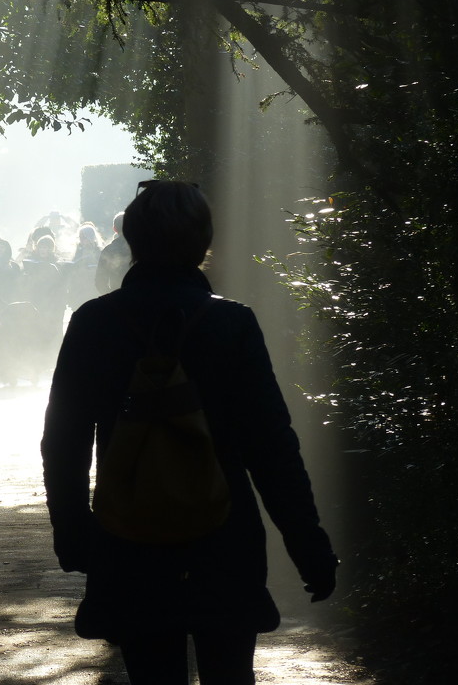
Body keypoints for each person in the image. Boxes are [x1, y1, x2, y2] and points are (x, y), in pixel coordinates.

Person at [41, 180, 338, 685]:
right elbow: (271, 445)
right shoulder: (233, 324)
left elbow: (63, 441)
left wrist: (74, 533)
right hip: (223, 538)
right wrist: (306, 542)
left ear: (132, 240)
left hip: (128, 536)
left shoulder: (94, 324)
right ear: (203, 242)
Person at [94, 211, 130, 293]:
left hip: (119, 299)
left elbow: (100, 281)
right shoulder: (141, 248)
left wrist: (112, 298)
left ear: (114, 229)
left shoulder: (108, 251)